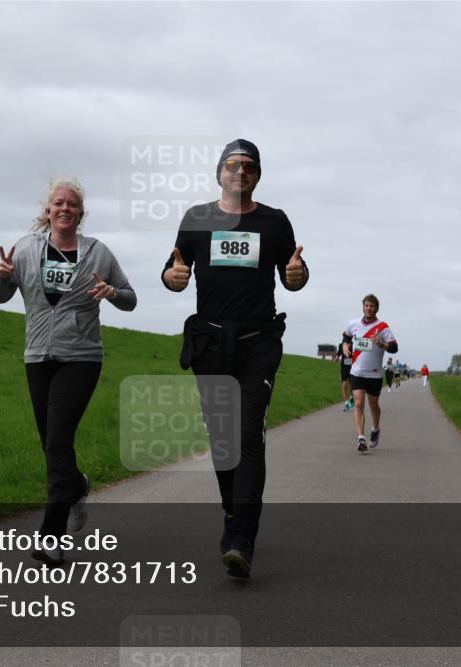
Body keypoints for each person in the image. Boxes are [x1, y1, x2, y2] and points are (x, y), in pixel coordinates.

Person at [161, 138, 309, 579]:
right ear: (219, 172)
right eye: (233, 165)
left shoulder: (274, 222)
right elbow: (174, 269)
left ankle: (243, 537)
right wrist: (172, 277)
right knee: (222, 439)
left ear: (257, 174)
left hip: (258, 342)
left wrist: (298, 276)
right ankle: (232, 512)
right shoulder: (197, 219)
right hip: (210, 343)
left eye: (249, 166)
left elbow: (293, 274)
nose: (240, 171)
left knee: (246, 435)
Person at [0, 177, 136, 565]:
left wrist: (111, 293)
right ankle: (75, 485)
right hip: (38, 356)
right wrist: (3, 277)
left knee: (57, 441)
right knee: (50, 443)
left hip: (82, 357)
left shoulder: (98, 253)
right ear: (48, 210)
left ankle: (49, 538)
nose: (65, 208)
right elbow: (0, 297)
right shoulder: (26, 249)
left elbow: (130, 299)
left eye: (72, 204)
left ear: (80, 213)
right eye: (59, 203)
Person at [342, 295, 398, 453]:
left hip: (375, 374)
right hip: (357, 372)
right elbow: (346, 335)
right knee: (359, 403)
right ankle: (360, 438)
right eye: (366, 305)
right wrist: (345, 345)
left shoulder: (383, 327)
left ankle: (375, 429)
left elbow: (394, 348)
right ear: (363, 307)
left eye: (372, 306)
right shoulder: (353, 324)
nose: (369, 308)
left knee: (373, 405)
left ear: (377, 308)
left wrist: (381, 343)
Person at [335, 340, 355, 411]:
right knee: (344, 385)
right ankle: (346, 404)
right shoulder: (341, 345)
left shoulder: (354, 344)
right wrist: (337, 357)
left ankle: (352, 397)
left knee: (351, 384)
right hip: (344, 367)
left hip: (352, 366)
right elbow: (339, 352)